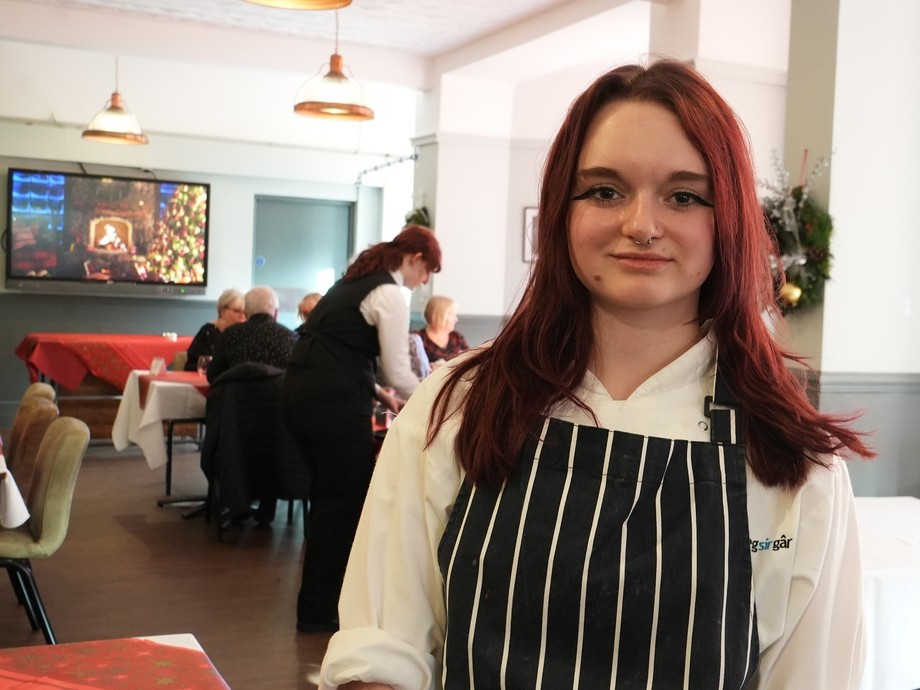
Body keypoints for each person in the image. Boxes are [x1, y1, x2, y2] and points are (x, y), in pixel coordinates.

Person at [318, 60, 874, 690]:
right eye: (605, 191)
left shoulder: (795, 464)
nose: (641, 225)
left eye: (684, 196)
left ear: (728, 221)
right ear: (562, 210)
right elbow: (382, 650)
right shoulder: (457, 405)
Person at [281, 223, 442, 633]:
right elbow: (398, 370)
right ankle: (320, 612)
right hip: (333, 404)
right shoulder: (389, 293)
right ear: (416, 259)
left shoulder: (351, 282)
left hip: (299, 392)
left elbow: (338, 349)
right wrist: (437, 401)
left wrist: (380, 395)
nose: (424, 282)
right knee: (342, 505)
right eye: (427, 271)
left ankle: (317, 605)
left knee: (329, 502)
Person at [206, 285, 296, 382]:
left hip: (235, 391)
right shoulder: (291, 338)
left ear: (245, 312)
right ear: (276, 313)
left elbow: (213, 375)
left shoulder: (230, 334)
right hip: (278, 391)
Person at [184, 288, 247, 371]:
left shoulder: (246, 333)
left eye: (245, 312)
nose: (242, 316)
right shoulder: (208, 333)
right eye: (237, 311)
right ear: (223, 311)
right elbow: (194, 363)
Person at [413, 295, 469, 366]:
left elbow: (469, 362)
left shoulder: (457, 337)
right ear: (439, 315)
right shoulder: (417, 338)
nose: (456, 319)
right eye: (451, 315)